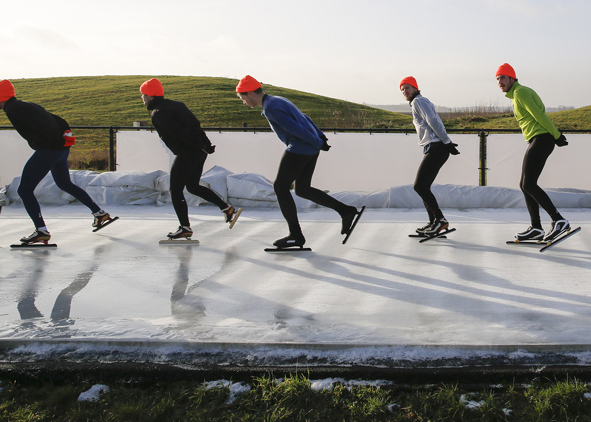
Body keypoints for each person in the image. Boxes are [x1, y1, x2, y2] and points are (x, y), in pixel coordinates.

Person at [235, 75, 361, 248]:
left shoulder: (270, 107)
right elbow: (305, 117)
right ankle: (346, 211)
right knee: (302, 189)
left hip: (300, 147)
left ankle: (295, 235)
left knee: (280, 187)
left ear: (250, 94)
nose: (244, 102)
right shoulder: (277, 100)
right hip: (310, 147)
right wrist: (321, 138)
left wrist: (317, 141)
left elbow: (297, 128)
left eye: (243, 98)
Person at [0, 79, 116, 245]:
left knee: (25, 190)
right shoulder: (26, 105)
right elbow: (56, 119)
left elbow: (42, 125)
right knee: (65, 184)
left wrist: (52, 143)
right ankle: (99, 213)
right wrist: (64, 139)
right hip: (60, 149)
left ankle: (41, 230)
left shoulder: (13, 109)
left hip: (50, 150)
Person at [140, 78, 241, 240]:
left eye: (143, 94)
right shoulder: (177, 105)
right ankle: (226, 208)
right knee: (193, 186)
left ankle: (185, 227)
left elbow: (180, 133)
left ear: (151, 95)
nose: (142, 98)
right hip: (199, 150)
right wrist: (205, 144)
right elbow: (195, 125)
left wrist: (192, 146)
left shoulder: (159, 113)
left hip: (189, 151)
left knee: (175, 189)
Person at [495, 63, 570, 242]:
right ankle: (536, 227)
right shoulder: (515, 96)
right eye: (498, 79)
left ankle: (558, 220)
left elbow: (539, 115)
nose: (500, 82)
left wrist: (557, 135)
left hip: (542, 138)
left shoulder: (521, 92)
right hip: (537, 139)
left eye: (503, 78)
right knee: (525, 184)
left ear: (512, 78)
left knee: (528, 184)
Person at [400, 76, 459, 237]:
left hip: (437, 147)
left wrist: (446, 142)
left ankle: (439, 220)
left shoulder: (418, 101)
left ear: (415, 88)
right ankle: (434, 222)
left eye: (408, 88)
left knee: (419, 186)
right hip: (433, 147)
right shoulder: (418, 102)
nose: (405, 91)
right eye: (402, 89)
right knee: (423, 187)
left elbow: (433, 120)